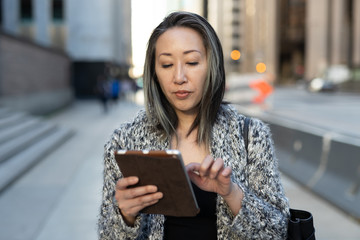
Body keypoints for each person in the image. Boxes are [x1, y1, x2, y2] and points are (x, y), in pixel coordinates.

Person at [98, 11, 290, 239]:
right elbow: (107, 234)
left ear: (212, 65)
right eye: (167, 64)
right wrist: (125, 216)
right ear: (154, 73)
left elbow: (278, 230)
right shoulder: (124, 141)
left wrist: (231, 193)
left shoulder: (250, 136)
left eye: (191, 62)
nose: (179, 77)